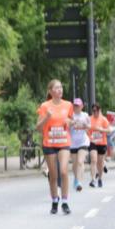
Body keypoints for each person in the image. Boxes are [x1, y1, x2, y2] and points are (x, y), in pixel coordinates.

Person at [36, 80, 73, 215]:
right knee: (53, 175)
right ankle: (54, 200)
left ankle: (64, 201)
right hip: (49, 143)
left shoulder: (68, 105)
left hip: (64, 142)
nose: (60, 90)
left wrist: (70, 122)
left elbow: (72, 121)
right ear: (50, 91)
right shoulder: (45, 106)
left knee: (63, 171)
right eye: (57, 88)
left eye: (61, 87)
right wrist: (47, 117)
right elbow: (38, 128)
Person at [69, 98, 91, 193]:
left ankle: (79, 182)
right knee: (74, 164)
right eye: (75, 105)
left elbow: (90, 126)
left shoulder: (85, 115)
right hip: (73, 143)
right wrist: (72, 123)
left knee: (80, 162)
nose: (76, 107)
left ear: (82, 106)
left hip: (83, 142)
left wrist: (85, 125)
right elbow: (67, 126)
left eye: (78, 105)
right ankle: (76, 178)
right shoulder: (70, 116)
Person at [88, 104, 110, 187]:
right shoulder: (89, 119)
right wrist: (89, 137)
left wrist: (101, 130)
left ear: (99, 110)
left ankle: (100, 178)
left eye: (96, 111)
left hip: (102, 143)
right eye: (93, 111)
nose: (95, 112)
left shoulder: (103, 119)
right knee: (93, 160)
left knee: (100, 163)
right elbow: (87, 130)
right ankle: (93, 179)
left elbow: (109, 130)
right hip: (92, 142)